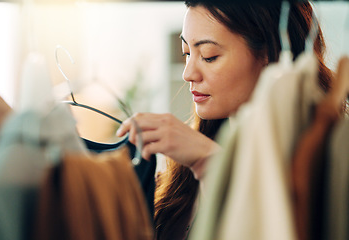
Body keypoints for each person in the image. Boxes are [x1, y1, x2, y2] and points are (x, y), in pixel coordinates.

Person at [115, 0, 333, 239]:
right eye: (187, 53)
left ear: (271, 55)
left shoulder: (320, 170)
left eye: (209, 56)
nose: (188, 74)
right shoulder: (176, 178)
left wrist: (209, 163)